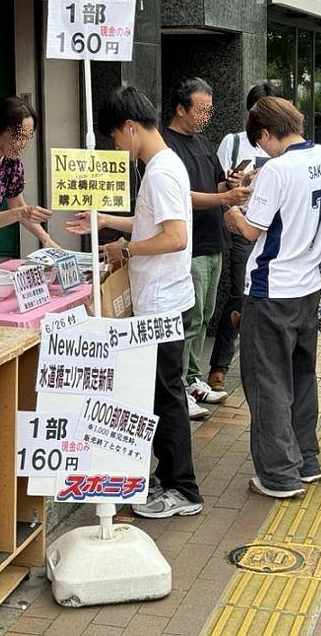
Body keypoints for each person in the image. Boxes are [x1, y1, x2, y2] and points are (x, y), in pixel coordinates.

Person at [66, 87, 203, 519]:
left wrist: (124, 249)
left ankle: (183, 489)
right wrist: (107, 221)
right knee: (161, 392)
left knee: (166, 396)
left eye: (114, 137)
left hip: (162, 302)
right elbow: (152, 225)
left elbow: (174, 238)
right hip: (164, 297)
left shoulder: (160, 173)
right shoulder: (163, 165)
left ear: (130, 127)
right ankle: (168, 476)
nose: (115, 147)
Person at [224, 97, 321, 498]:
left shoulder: (277, 169)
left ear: (267, 133)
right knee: (301, 376)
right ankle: (306, 461)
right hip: (308, 285)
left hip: (271, 289)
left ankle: (278, 475)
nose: (263, 150)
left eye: (261, 143)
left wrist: (232, 213)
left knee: (266, 381)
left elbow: (252, 231)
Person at [164, 78, 249, 419]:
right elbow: (180, 196)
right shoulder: (166, 146)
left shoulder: (202, 143)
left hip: (213, 241)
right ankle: (179, 387)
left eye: (209, 110)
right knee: (191, 318)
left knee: (204, 316)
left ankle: (191, 378)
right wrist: (224, 197)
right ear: (180, 108)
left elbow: (214, 185)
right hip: (190, 244)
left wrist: (229, 184)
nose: (205, 117)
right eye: (200, 110)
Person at [208, 82, 279, 392]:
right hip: (243, 228)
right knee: (240, 294)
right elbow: (216, 184)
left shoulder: (284, 146)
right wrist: (234, 184)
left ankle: (260, 361)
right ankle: (220, 365)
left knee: (270, 297)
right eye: (259, 110)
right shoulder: (234, 142)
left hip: (275, 231)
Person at [0, 96, 57, 268]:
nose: (22, 144)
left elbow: (17, 205)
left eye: (27, 137)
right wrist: (20, 213)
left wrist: (47, 240)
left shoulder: (11, 162)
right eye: (18, 136)